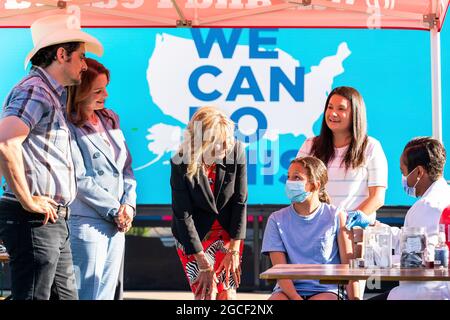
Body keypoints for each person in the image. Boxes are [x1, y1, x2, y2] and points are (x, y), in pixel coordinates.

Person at [0, 14, 102, 300]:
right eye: (81, 56)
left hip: (48, 219)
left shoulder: (46, 93)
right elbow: (6, 142)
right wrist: (28, 200)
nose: (84, 65)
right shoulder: (35, 90)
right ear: (61, 54)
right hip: (34, 218)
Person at [66, 58, 136, 300]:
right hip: (87, 223)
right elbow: (79, 177)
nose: (105, 94)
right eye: (97, 90)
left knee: (107, 295)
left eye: (106, 87)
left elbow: (126, 167)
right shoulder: (68, 125)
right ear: (79, 91)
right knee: (86, 295)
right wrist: (115, 209)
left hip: (117, 223)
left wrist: (129, 205)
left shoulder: (110, 118)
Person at [170, 106, 247, 300]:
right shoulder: (180, 161)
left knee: (227, 295)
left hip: (227, 235)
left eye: (227, 141)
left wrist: (234, 250)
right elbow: (183, 215)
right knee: (206, 294)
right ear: (201, 142)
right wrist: (202, 262)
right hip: (195, 237)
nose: (226, 147)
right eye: (218, 143)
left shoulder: (235, 150)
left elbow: (240, 201)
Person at [261, 156, 359, 300]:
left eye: (297, 178)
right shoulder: (276, 219)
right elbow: (280, 271)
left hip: (327, 290)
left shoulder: (337, 215)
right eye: (289, 177)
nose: (289, 182)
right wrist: (295, 298)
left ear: (315, 185)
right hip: (287, 292)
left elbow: (348, 267)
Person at [297, 86, 388, 229]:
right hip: (316, 231)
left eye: (341, 109)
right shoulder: (310, 145)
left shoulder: (371, 147)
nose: (333, 113)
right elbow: (298, 188)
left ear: (355, 114)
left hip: (354, 232)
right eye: (330, 107)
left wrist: (349, 222)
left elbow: (377, 197)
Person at [386, 137, 450, 300]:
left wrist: (378, 258)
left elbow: (417, 258)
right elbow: (415, 240)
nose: (404, 178)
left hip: (427, 292)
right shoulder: (444, 196)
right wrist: (379, 228)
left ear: (419, 172)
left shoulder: (426, 205)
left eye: (404, 172)